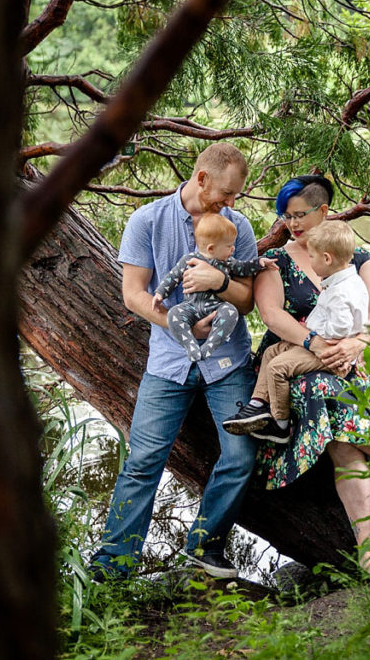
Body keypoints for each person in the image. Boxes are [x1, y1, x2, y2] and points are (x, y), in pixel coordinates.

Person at [90, 143, 259, 581]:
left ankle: (204, 545)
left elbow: (246, 302)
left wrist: (220, 281)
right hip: (168, 362)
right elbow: (134, 294)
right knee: (143, 461)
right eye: (226, 193)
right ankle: (113, 566)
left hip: (227, 362)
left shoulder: (237, 225)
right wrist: (179, 323)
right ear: (201, 178)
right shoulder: (147, 220)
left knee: (241, 456)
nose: (231, 203)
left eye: (236, 195)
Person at [250, 175, 370, 573]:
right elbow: (272, 315)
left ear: (324, 211)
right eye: (286, 217)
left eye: (300, 215)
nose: (293, 224)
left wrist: (357, 345)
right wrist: (316, 343)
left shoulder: (356, 256)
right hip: (293, 361)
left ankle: (367, 547)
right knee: (321, 388)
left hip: (347, 361)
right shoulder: (277, 260)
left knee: (340, 426)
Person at [222, 220, 368, 444]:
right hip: (320, 341)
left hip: (330, 349)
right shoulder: (343, 278)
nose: (309, 261)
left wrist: (310, 332)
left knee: (277, 367)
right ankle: (256, 405)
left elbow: (340, 327)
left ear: (327, 259)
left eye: (312, 257)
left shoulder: (342, 291)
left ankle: (279, 423)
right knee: (272, 351)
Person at [153, 213, 275, 362]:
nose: (232, 249)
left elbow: (243, 268)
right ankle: (190, 346)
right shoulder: (189, 260)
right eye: (229, 246)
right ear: (211, 248)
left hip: (215, 307)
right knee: (173, 314)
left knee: (230, 312)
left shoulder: (227, 263)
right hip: (190, 307)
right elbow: (172, 277)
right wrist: (160, 293)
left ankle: (209, 347)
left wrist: (259, 263)